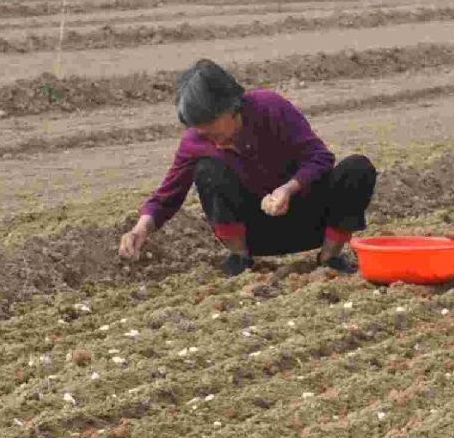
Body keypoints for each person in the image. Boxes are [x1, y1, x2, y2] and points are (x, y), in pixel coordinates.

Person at [118, 60, 376, 277]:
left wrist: (288, 189)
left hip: (311, 218)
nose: (211, 139)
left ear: (233, 107)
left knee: (357, 168)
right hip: (255, 232)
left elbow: (319, 157)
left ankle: (329, 259)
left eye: (214, 129)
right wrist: (139, 230)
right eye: (202, 132)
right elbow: (167, 195)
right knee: (207, 170)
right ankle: (240, 260)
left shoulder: (270, 108)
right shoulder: (195, 141)